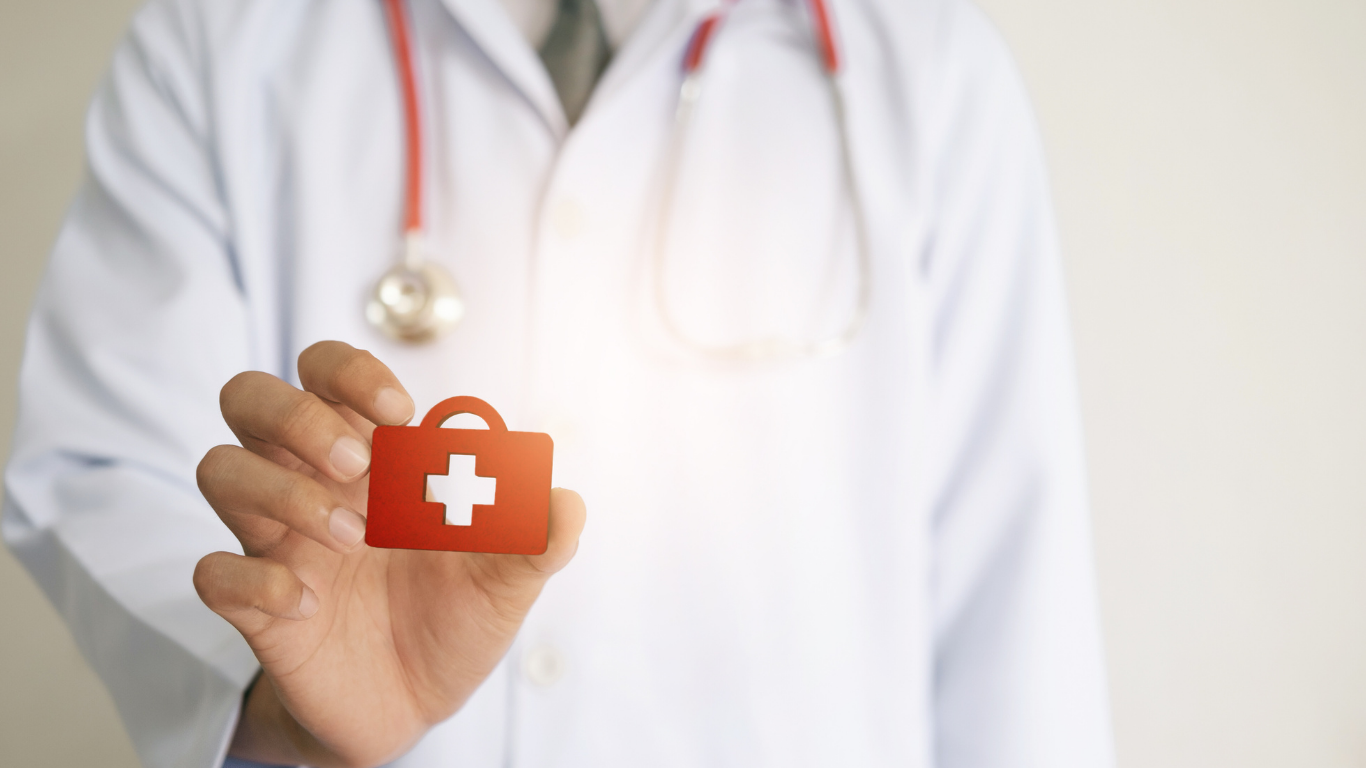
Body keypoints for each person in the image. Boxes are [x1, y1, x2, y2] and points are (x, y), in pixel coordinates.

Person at [2, 0, 1115, 764]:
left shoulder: (925, 64)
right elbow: (98, 469)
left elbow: (1016, 599)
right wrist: (265, 699)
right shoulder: (224, 39)